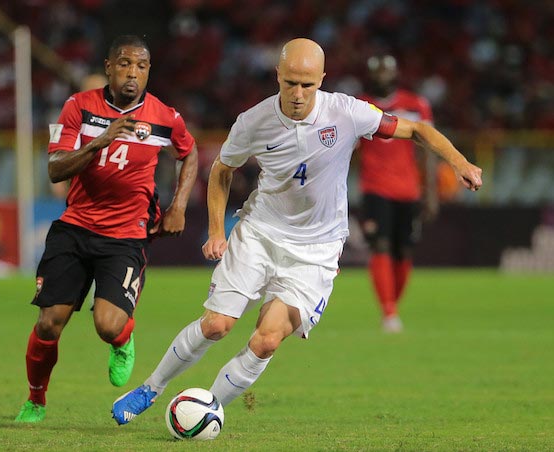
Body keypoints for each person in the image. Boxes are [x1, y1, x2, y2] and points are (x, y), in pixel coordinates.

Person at [110, 37, 482, 425]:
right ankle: (150, 388)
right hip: (261, 232)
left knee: (267, 339)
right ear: (278, 76)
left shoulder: (348, 112)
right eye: (290, 83)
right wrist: (217, 231)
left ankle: (208, 409)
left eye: (308, 84)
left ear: (322, 79)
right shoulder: (254, 120)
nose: (299, 93)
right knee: (218, 324)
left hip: (317, 249)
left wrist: (460, 163)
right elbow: (222, 170)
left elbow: (418, 130)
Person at [14, 35, 199, 423]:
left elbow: (190, 152)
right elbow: (55, 168)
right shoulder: (78, 107)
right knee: (49, 323)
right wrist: (100, 140)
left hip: (126, 235)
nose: (133, 73)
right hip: (75, 228)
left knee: (107, 325)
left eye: (142, 66)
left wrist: (179, 206)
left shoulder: (165, 116)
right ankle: (36, 400)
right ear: (109, 66)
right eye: (126, 64)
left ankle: (122, 339)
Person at [357, 54, 437, 333]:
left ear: (395, 73)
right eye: (376, 71)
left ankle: (392, 306)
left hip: (409, 190)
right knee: (380, 245)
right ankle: (388, 311)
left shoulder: (415, 105)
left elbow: (429, 148)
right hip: (375, 189)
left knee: (404, 252)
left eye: (386, 71)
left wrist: (431, 192)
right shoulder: (360, 106)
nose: (381, 76)